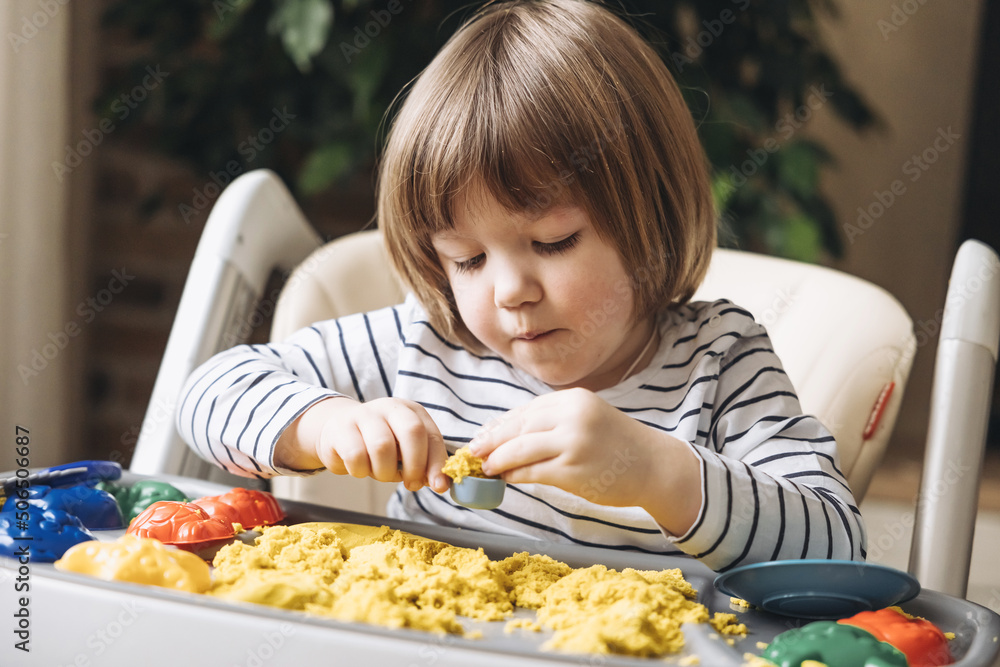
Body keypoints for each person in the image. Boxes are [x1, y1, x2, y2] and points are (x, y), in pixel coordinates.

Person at [177, 0, 865, 572]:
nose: (509, 291)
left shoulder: (719, 361)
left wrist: (659, 471)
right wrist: (321, 424)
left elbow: (837, 545)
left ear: (651, 216)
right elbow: (207, 393)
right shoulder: (427, 342)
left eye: (552, 242)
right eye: (468, 259)